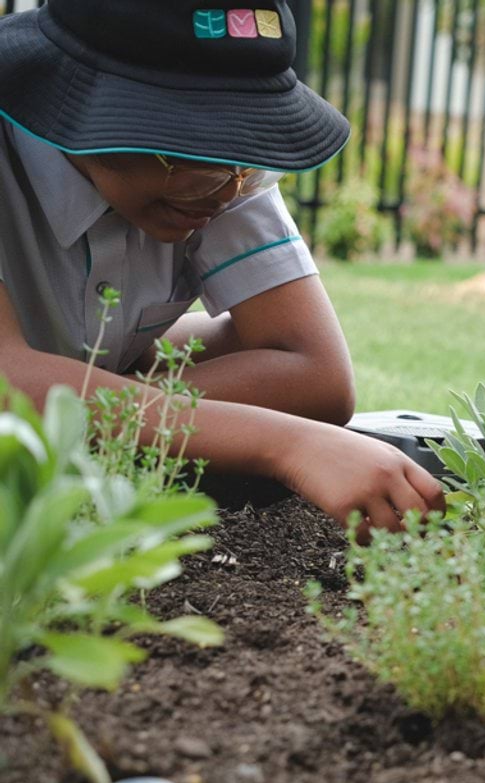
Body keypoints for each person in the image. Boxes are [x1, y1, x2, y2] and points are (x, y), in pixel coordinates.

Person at [0, 0, 442, 532]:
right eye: (195, 150)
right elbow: (7, 380)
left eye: (247, 157)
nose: (229, 189)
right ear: (77, 106)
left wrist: (94, 402)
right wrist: (285, 443)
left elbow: (315, 371)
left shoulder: (223, 175)